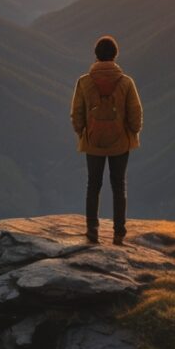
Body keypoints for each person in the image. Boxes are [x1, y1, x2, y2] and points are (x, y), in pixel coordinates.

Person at [70, 35, 143, 245]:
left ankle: (92, 229)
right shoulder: (126, 82)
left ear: (96, 55)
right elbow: (135, 113)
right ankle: (119, 233)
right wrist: (133, 132)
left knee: (93, 185)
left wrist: (83, 133)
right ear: (115, 55)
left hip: (93, 142)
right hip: (121, 143)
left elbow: (77, 113)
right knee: (119, 185)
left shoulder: (84, 82)